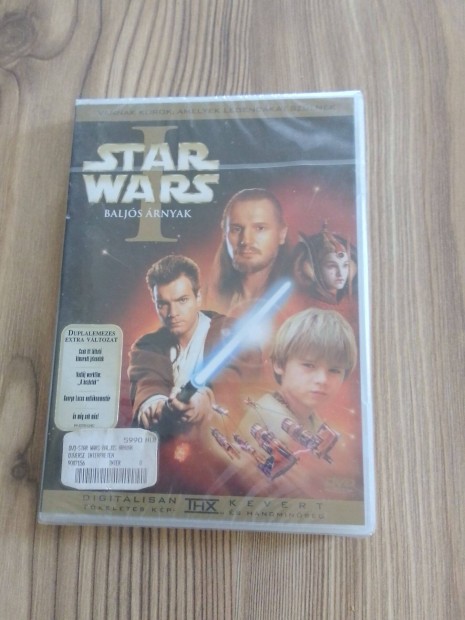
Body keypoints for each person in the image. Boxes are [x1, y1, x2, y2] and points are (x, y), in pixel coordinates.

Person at [128, 254, 260, 437]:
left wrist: (202, 401)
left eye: (182, 300)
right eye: (163, 304)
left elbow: (237, 376)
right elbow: (146, 382)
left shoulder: (231, 332)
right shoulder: (147, 346)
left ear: (198, 297)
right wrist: (154, 405)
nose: (173, 313)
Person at [240, 308, 357, 462]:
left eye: (334, 370)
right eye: (309, 365)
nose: (322, 379)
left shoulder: (311, 421)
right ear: (279, 364)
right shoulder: (268, 420)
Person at [207, 188, 290, 314]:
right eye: (236, 229)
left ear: (282, 234)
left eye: (260, 228)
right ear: (224, 234)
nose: (246, 240)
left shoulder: (295, 301)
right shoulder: (209, 299)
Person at [292, 221, 357, 305]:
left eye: (345, 265)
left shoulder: (350, 303)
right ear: (315, 269)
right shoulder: (302, 302)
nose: (340, 273)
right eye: (332, 266)